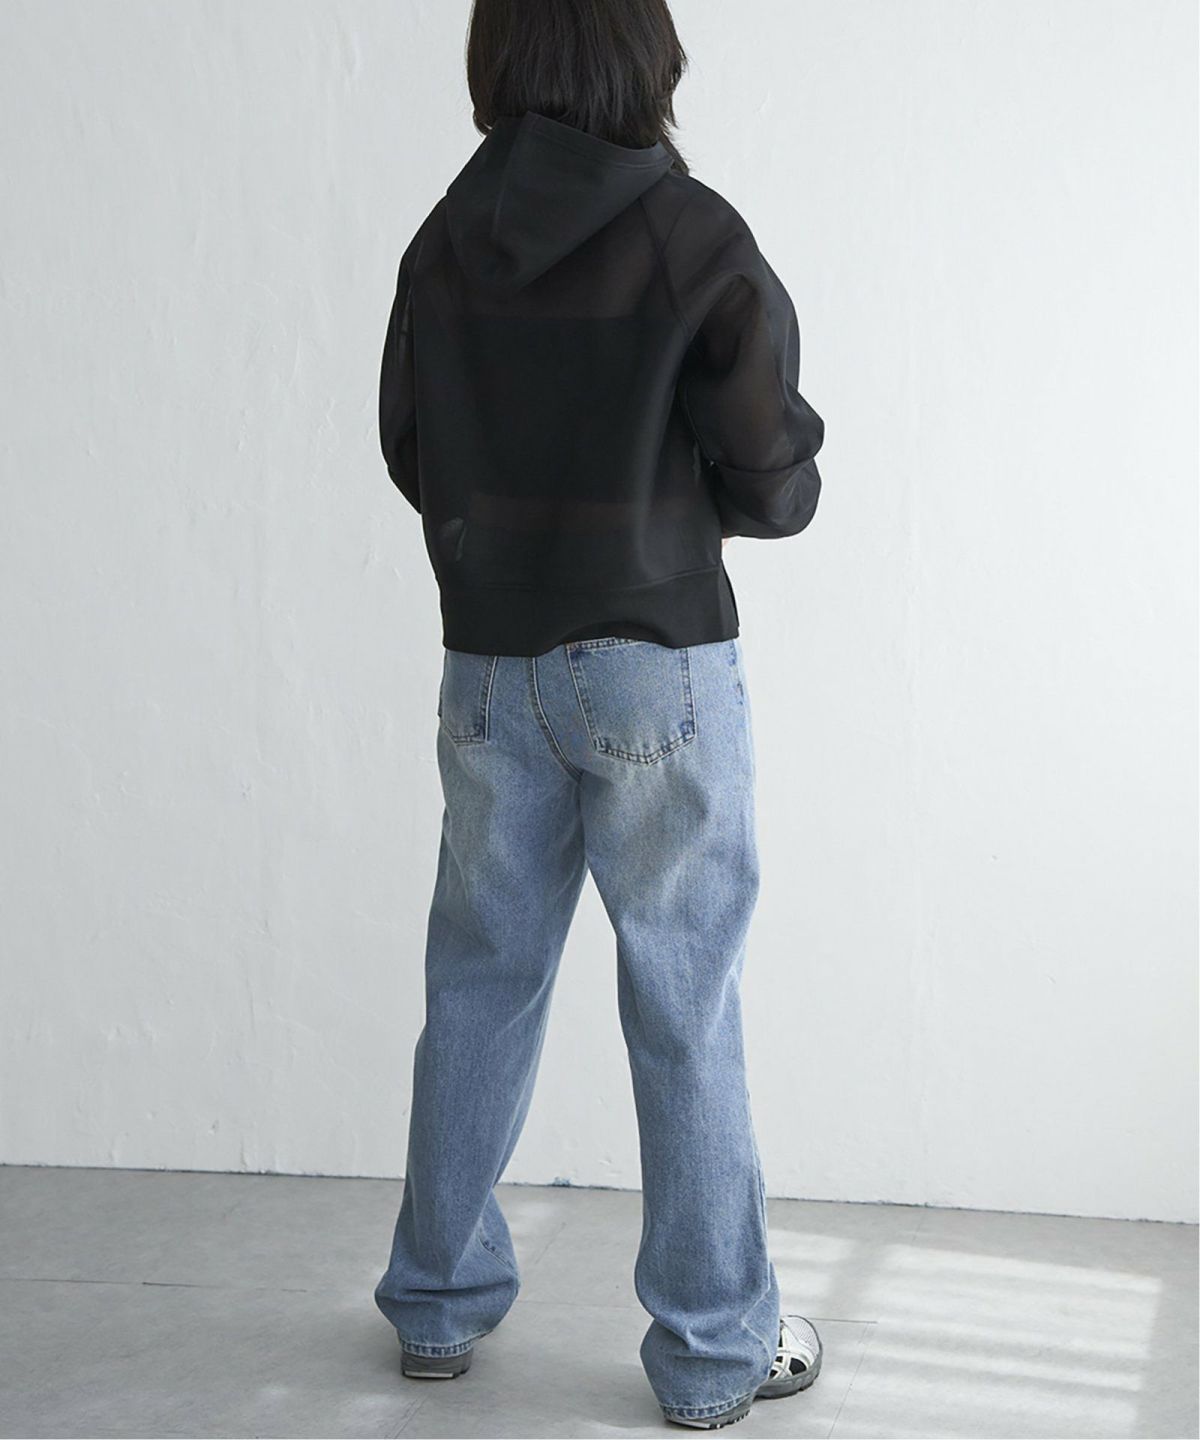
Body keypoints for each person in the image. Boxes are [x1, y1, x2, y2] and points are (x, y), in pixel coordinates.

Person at [372, 0, 825, 1428]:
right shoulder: (691, 237)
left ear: (497, 57)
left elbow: (410, 445)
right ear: (646, 58)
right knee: (684, 1000)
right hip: (652, 660)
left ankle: (436, 1305)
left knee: (479, 980)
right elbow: (771, 473)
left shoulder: (446, 240)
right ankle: (713, 1353)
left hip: (489, 664)